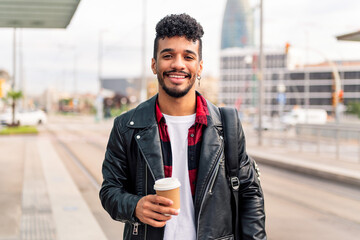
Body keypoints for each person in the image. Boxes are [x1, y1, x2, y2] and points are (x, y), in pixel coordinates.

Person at [99, 13, 266, 240]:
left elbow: (249, 193)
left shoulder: (226, 125)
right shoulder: (126, 127)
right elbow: (110, 191)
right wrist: (134, 206)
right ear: (154, 64)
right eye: (168, 55)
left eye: (188, 56)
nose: (178, 64)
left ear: (199, 66)